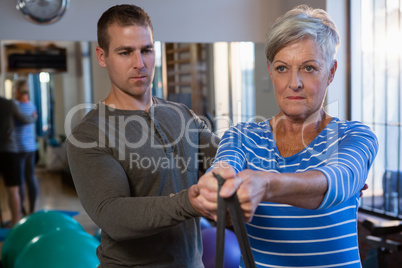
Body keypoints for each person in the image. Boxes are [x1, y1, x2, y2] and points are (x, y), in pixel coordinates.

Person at [196, 5, 379, 268]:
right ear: (270, 71)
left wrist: (267, 185)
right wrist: (216, 188)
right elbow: (223, 169)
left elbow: (337, 180)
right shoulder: (242, 137)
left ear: (331, 72)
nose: (294, 83)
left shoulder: (354, 136)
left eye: (309, 68)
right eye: (282, 68)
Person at [67, 4, 219, 267]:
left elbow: (222, 153)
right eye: (125, 52)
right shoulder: (89, 134)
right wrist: (190, 203)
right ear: (102, 57)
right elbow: (113, 216)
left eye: (146, 50)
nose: (139, 64)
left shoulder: (181, 114)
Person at [0, 96, 36, 227]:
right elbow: (25, 118)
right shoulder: (8, 104)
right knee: (13, 190)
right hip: (9, 150)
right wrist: (34, 117)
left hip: (10, 150)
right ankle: (16, 223)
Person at [14, 78, 38, 215]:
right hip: (31, 147)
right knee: (30, 178)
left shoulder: (15, 106)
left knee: (20, 180)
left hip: (19, 148)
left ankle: (22, 211)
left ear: (17, 91)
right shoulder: (32, 105)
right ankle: (32, 210)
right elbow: (32, 119)